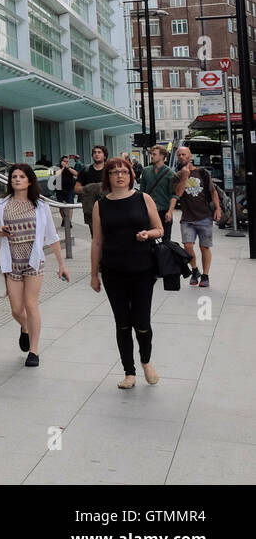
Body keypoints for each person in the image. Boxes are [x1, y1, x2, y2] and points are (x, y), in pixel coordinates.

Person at [90, 156, 164, 389]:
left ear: (131, 175)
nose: (120, 175)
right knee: (122, 323)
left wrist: (147, 234)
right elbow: (97, 243)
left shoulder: (144, 199)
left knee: (142, 321)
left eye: (124, 171)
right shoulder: (101, 204)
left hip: (142, 269)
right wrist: (94, 274)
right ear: (108, 177)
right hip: (113, 270)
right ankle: (129, 372)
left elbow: (159, 228)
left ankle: (146, 360)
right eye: (114, 172)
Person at [0, 164, 68, 367]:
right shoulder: (1, 205)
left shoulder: (40, 206)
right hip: (11, 260)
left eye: (22, 176)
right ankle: (25, 327)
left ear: (29, 181)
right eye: (14, 176)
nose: (17, 179)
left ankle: (34, 350)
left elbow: (51, 236)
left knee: (31, 304)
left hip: (34, 261)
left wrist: (61, 264)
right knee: (16, 309)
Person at [173, 145, 222, 288]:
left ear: (190, 156)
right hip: (187, 218)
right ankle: (195, 270)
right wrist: (184, 177)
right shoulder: (176, 175)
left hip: (204, 216)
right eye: (179, 155)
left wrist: (217, 209)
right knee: (187, 246)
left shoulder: (203, 173)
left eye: (184, 154)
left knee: (204, 247)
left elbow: (213, 192)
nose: (181, 157)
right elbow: (179, 193)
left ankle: (205, 275)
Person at [138, 145, 177, 244]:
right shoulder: (146, 171)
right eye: (151, 154)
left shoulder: (170, 173)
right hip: (148, 211)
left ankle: (164, 259)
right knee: (148, 239)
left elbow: (174, 194)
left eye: (154, 154)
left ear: (162, 156)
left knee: (166, 241)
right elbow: (142, 192)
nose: (151, 156)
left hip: (164, 211)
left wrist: (170, 212)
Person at [75, 145, 109, 236]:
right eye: (94, 152)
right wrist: (93, 188)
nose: (96, 154)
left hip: (109, 209)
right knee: (95, 237)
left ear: (104, 156)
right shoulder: (86, 170)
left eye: (99, 152)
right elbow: (77, 188)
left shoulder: (110, 170)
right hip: (91, 210)